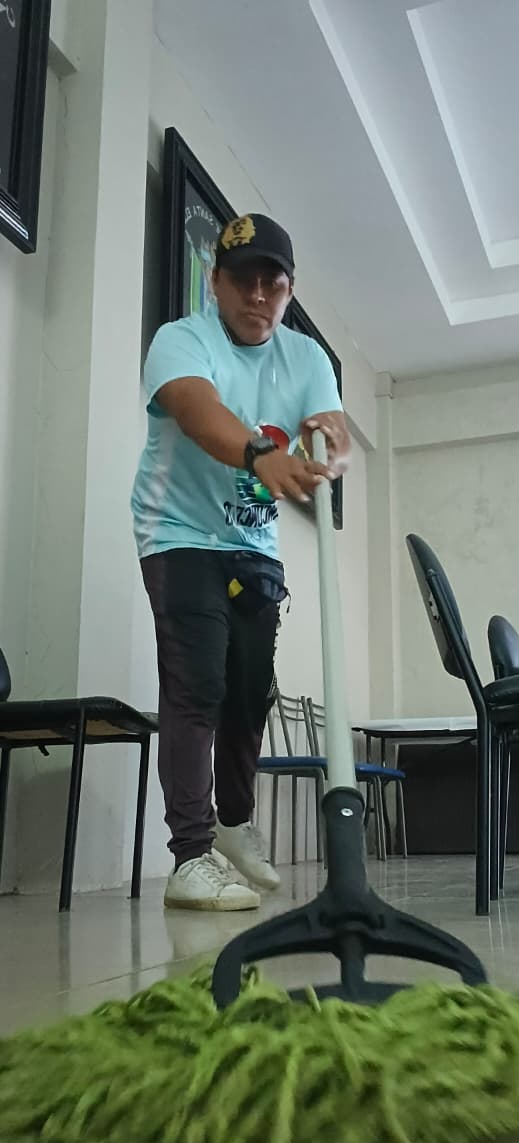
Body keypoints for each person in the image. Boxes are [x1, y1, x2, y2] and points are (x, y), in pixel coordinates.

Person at [131, 213, 351, 910]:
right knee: (196, 685)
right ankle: (190, 856)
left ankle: (232, 823)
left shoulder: (308, 359)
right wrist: (262, 454)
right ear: (216, 283)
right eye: (243, 280)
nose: (258, 296)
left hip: (253, 544)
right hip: (178, 531)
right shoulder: (182, 339)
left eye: (272, 283)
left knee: (250, 692)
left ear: (289, 291)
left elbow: (328, 432)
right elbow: (196, 409)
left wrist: (330, 443)